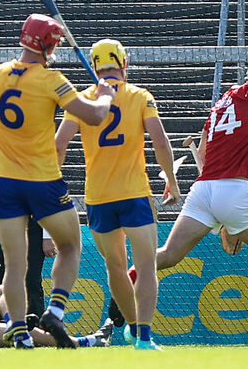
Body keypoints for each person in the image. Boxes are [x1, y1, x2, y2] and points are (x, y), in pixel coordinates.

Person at [111, 0, 248, 341]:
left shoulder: (220, 104)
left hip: (202, 189)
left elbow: (204, 156)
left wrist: (218, 211)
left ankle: (125, 283)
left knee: (168, 254)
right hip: (232, 189)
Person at [0, 13, 114, 348]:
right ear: (49, 46)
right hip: (42, 179)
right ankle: (56, 309)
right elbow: (95, 116)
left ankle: (19, 332)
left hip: (3, 182)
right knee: (70, 245)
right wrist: (105, 94)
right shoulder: (52, 80)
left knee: (14, 263)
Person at [56, 38, 180, 351]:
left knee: (116, 268)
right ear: (124, 63)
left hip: (98, 198)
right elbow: (160, 141)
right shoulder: (140, 96)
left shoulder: (83, 100)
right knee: (146, 266)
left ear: (94, 66)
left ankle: (134, 329)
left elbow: (59, 144)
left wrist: (51, 183)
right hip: (134, 194)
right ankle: (144, 339)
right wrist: (171, 180)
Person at [0, 122, 53, 320]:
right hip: (3, 226)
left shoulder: (26, 147)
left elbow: (46, 190)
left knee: (30, 281)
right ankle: (4, 330)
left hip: (32, 225)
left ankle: (36, 330)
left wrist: (47, 234)